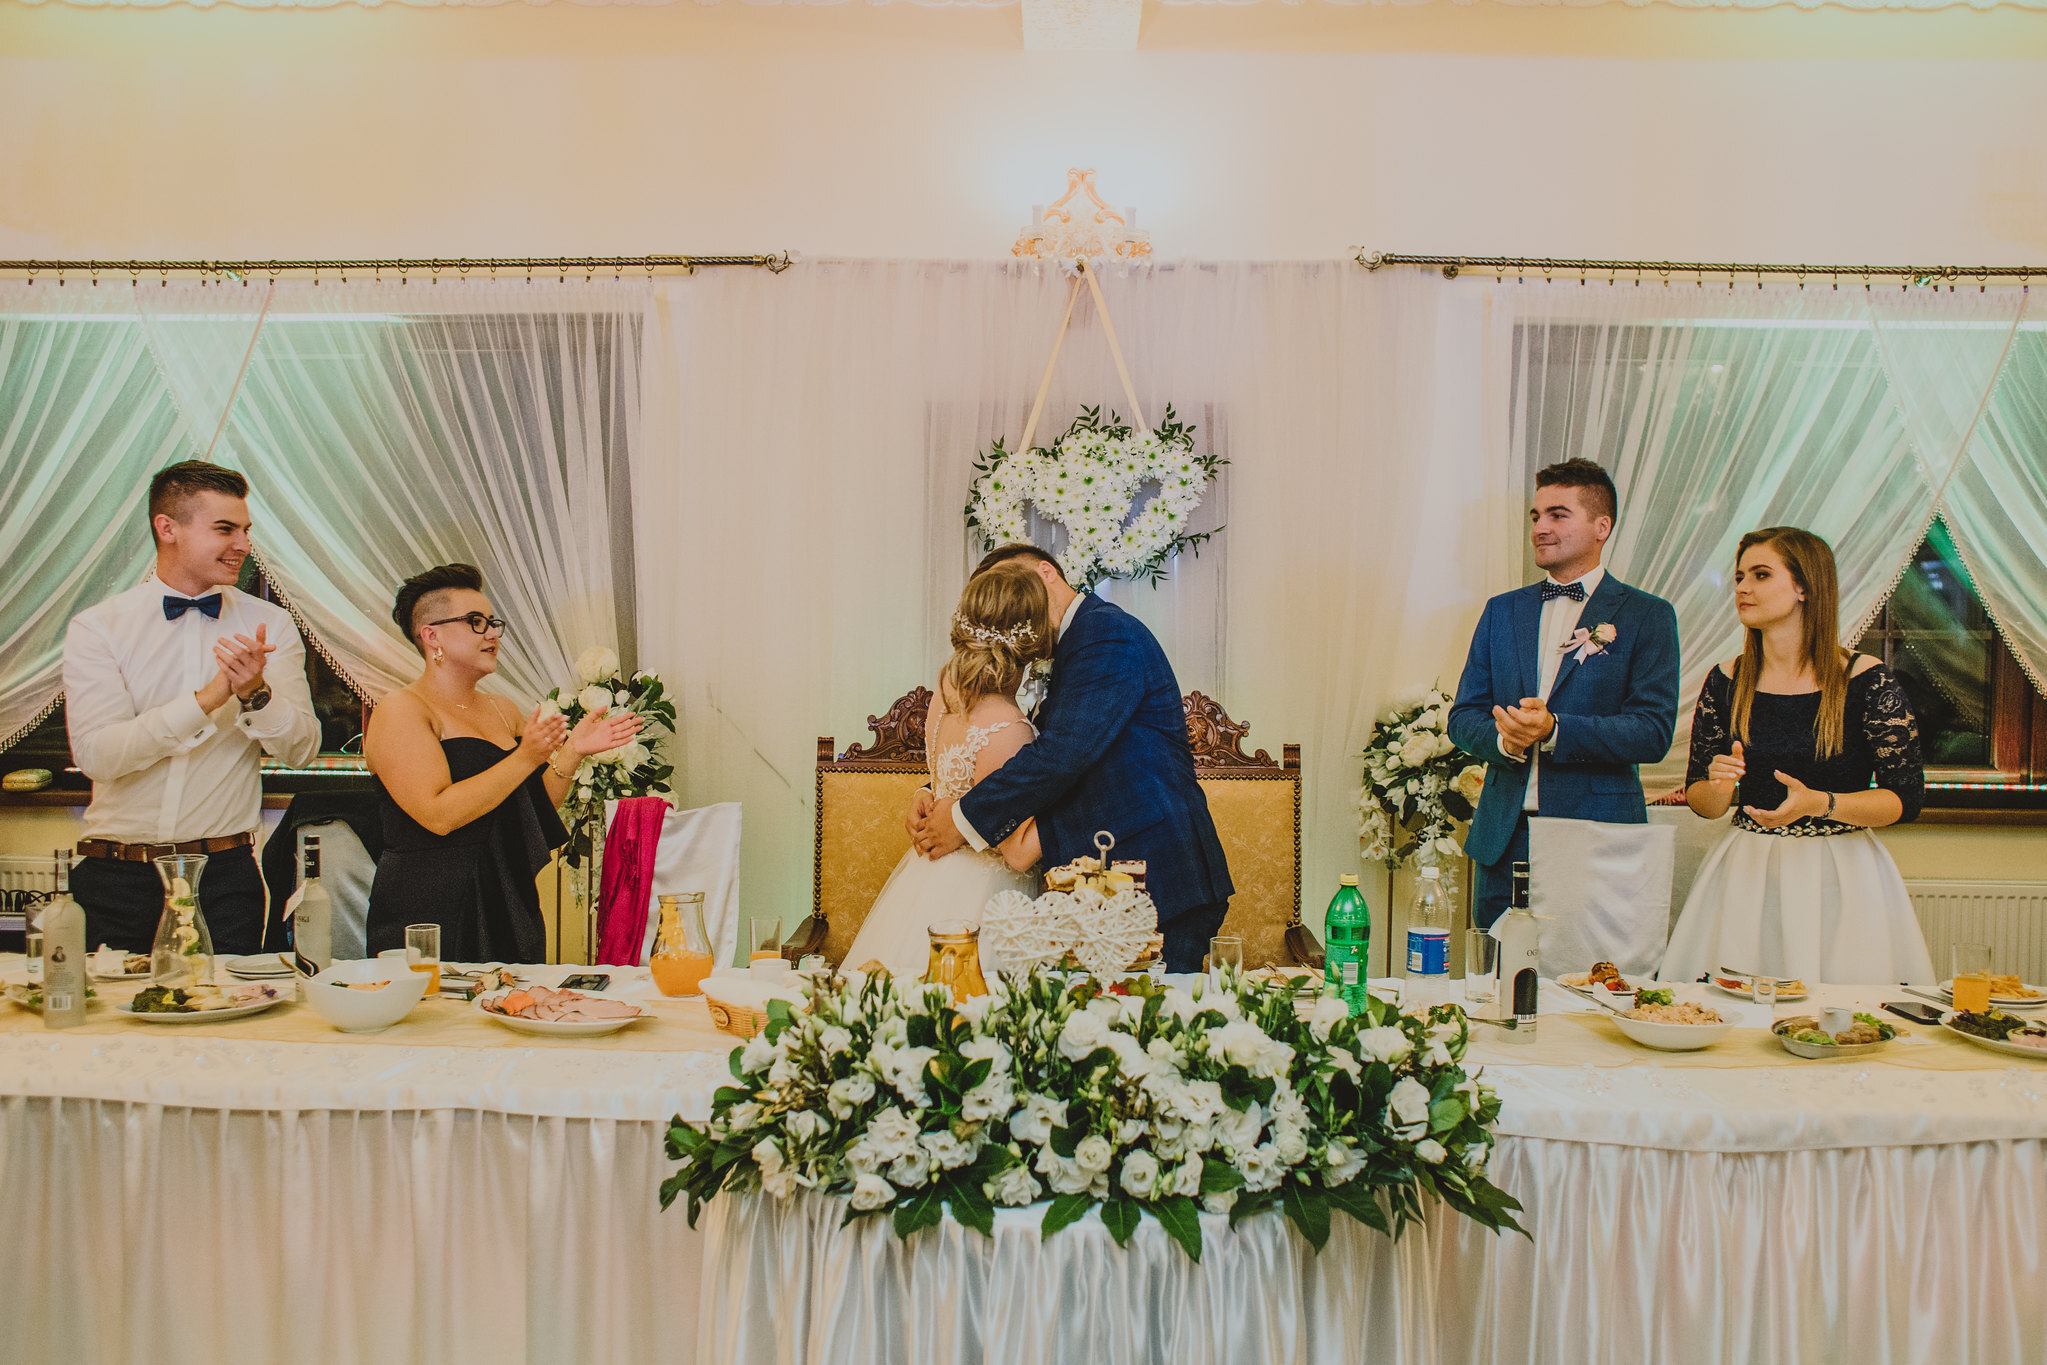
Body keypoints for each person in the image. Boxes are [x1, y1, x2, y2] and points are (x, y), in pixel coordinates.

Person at [911, 545, 1234, 974]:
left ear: (1047, 572)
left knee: (1151, 1011)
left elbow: (1062, 754)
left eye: (1019, 588)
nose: (1017, 605)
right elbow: (1017, 749)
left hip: (1156, 873)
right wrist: (939, 789)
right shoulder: (1070, 643)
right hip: (1106, 881)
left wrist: (961, 818)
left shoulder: (1105, 634)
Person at [63, 461, 322, 956]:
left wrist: (255, 694)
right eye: (225, 529)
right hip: (115, 878)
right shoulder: (99, 627)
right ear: (168, 528)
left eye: (245, 530)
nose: (243, 545)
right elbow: (98, 757)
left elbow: (302, 750)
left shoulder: (271, 625)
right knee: (106, 1009)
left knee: (228, 1007)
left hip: (224, 880)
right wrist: (208, 700)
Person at [1660, 528, 1933, 985]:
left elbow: (1905, 800)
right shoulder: (1725, 680)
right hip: (1747, 872)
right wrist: (1719, 786)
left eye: (1761, 575)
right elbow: (1703, 803)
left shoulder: (1866, 680)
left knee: (1843, 1011)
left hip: (1841, 875)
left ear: (1804, 587)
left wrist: (1821, 803)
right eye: (1740, 577)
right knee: (1733, 1011)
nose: (1743, 588)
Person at [364, 564, 640, 962]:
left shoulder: (502, 709)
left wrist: (573, 751)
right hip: (432, 900)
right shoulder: (401, 709)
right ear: (432, 635)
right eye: (475, 622)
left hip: (506, 891)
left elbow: (531, 809)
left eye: (493, 623)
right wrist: (526, 756)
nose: (492, 634)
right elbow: (437, 814)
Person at [1449, 458, 1681, 928]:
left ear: (1601, 527)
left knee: (1592, 968)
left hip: (1596, 835)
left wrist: (1555, 730)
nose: (1540, 528)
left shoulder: (1647, 615)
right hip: (1504, 835)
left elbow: (1652, 732)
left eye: (1558, 515)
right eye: (1536, 516)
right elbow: (1463, 716)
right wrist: (1504, 739)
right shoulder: (1501, 611)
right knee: (1497, 966)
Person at [845, 564, 1050, 978]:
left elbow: (951, 781)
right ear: (1033, 639)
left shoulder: (944, 697)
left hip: (928, 877)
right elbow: (1014, 851)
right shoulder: (1010, 729)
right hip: (985, 900)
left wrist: (928, 792)